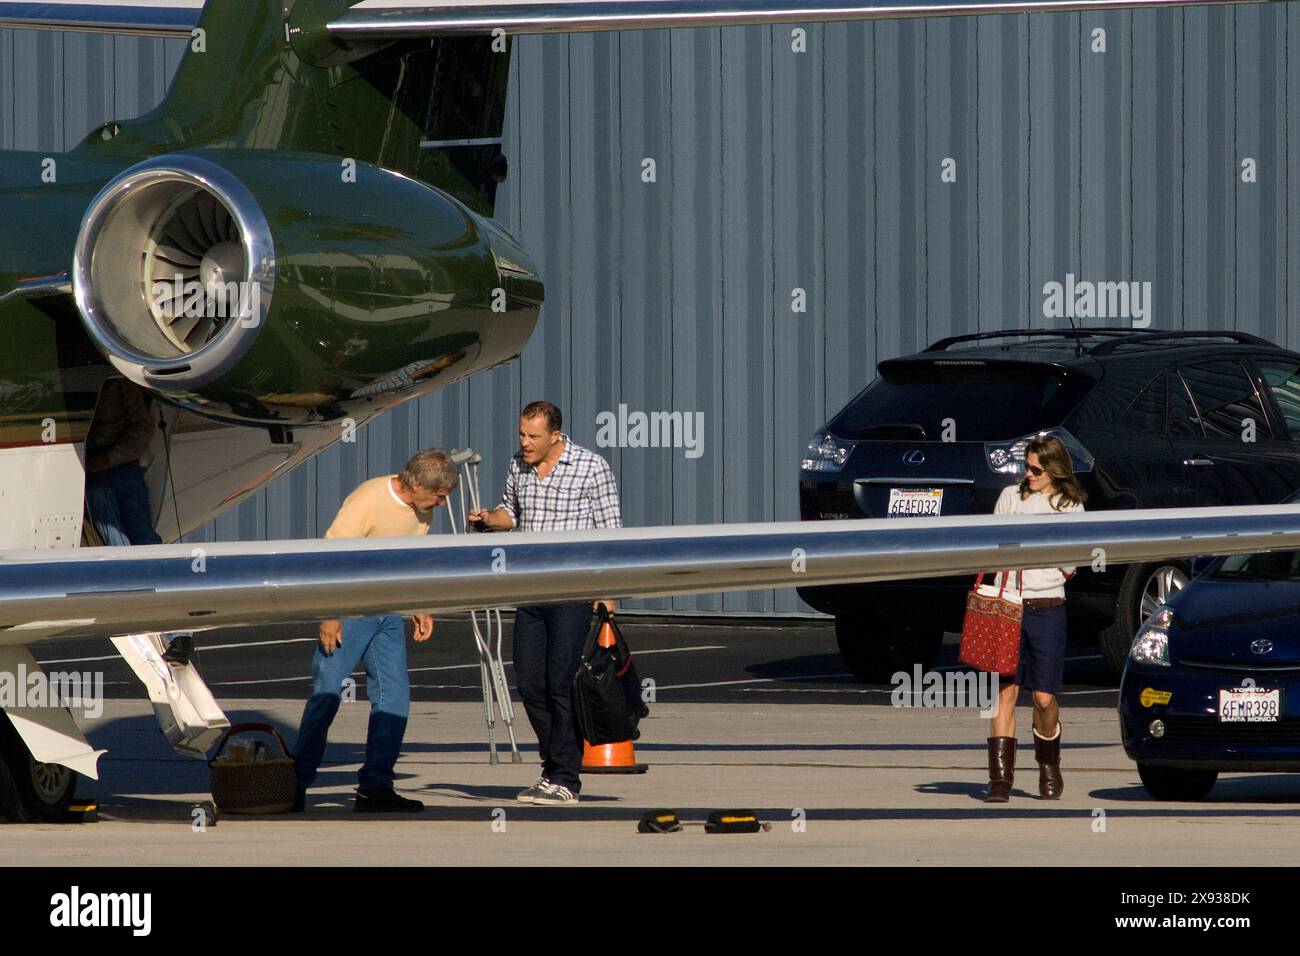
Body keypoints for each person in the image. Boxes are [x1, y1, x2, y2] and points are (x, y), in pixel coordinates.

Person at [468, 401, 621, 807]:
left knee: (559, 684)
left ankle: (566, 777)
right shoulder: (519, 465)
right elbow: (511, 515)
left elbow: (611, 532)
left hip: (571, 590)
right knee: (530, 685)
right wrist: (488, 520)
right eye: (522, 433)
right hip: (531, 588)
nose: (525, 442)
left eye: (533, 436)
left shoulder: (591, 466)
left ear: (555, 435)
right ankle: (553, 767)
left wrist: (609, 593)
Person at [291, 449, 456, 813]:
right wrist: (330, 613)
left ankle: (376, 786)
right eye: (438, 496)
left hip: (388, 613)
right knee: (328, 695)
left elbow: (411, 558)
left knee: (394, 697)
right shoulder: (368, 498)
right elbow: (331, 556)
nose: (441, 504)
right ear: (414, 483)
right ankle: (296, 782)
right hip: (350, 610)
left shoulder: (421, 507)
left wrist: (419, 603)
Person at [983, 434, 1086, 803]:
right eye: (1026, 467)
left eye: (1036, 469)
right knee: (1003, 694)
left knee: (1043, 698)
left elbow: (1071, 565)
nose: (1028, 474)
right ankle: (1000, 780)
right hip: (1008, 607)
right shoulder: (1010, 499)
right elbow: (992, 548)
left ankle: (1049, 765)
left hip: (1047, 608)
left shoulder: (1070, 506)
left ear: (1055, 470)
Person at [85, 377, 195, 664]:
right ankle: (154, 616)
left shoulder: (117, 385)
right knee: (118, 546)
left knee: (143, 544)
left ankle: (177, 632)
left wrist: (108, 458)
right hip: (93, 473)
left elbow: (142, 428)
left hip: (120, 467)